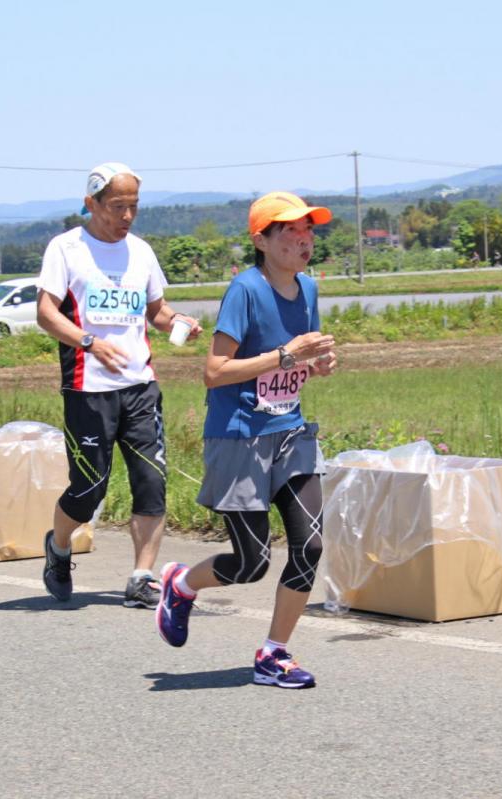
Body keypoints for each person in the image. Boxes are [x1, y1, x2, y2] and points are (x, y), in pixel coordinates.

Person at [155, 191, 337, 689]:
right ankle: (182, 584)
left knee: (310, 545)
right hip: (239, 439)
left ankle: (273, 653)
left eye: (309, 230)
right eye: (290, 231)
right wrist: (286, 356)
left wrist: (314, 364)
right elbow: (214, 372)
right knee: (251, 562)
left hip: (291, 433)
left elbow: (302, 357)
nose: (303, 240)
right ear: (261, 240)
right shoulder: (245, 290)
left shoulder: (310, 289)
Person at [37, 162, 201, 608]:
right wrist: (89, 343)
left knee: (152, 481)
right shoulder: (67, 249)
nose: (126, 216)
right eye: (117, 206)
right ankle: (60, 545)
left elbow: (157, 312)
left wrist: (178, 321)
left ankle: (142, 576)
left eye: (134, 207)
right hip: (87, 388)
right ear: (91, 204)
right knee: (89, 489)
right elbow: (46, 314)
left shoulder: (142, 252)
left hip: (140, 386)